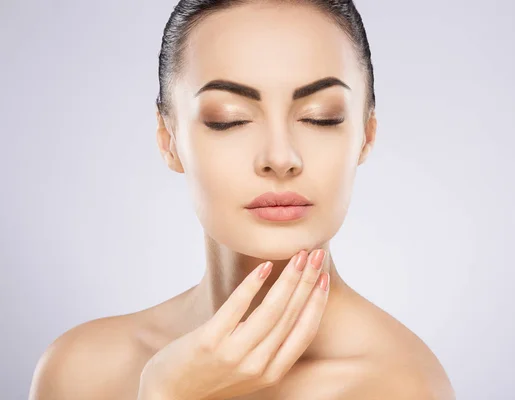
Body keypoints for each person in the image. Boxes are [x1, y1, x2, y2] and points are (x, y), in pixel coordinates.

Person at [29, 1, 455, 399]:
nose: (280, 158)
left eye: (320, 117)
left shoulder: (400, 383)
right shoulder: (80, 370)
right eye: (227, 120)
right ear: (168, 139)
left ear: (366, 135)